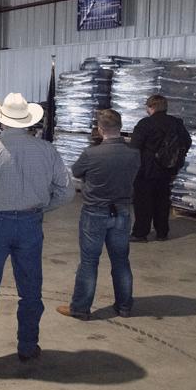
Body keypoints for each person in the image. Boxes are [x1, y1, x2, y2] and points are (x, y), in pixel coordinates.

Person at [0, 93, 74, 370]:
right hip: (30, 223)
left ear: (1, 121)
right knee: (31, 290)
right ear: (28, 122)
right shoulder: (46, 150)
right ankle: (28, 347)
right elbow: (67, 192)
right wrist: (44, 208)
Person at [57, 109, 140, 320]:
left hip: (95, 211)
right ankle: (124, 306)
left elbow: (76, 172)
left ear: (100, 129)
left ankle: (80, 307)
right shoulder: (134, 153)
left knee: (89, 261)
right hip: (122, 210)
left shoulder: (91, 154)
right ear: (120, 128)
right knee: (121, 260)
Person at [130, 95, 192, 242]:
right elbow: (187, 142)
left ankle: (140, 233)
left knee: (143, 202)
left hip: (146, 169)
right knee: (162, 201)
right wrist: (175, 159)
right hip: (168, 169)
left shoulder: (145, 124)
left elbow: (134, 147)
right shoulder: (176, 123)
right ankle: (162, 232)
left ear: (150, 107)